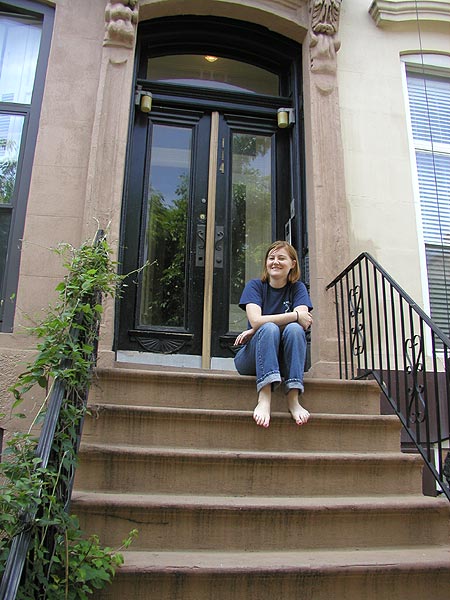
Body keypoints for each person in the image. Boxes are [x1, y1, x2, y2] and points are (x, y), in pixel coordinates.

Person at [233, 241, 313, 428]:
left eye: (281, 258)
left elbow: (304, 322)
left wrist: (258, 327)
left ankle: (293, 398)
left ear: (293, 263)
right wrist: (293, 315)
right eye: (271, 258)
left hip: (283, 360)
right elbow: (256, 321)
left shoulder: (298, 288)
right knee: (269, 329)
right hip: (251, 358)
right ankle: (264, 397)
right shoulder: (255, 286)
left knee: (293, 330)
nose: (275, 262)